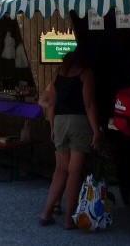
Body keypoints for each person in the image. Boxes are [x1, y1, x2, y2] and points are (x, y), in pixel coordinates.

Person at [38, 46, 101, 229]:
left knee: (60, 170)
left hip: (59, 122)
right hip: (79, 122)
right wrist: (96, 131)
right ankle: (68, 219)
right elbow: (89, 104)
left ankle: (46, 213)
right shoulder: (85, 74)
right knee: (74, 172)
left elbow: (51, 104)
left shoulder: (58, 74)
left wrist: (52, 128)